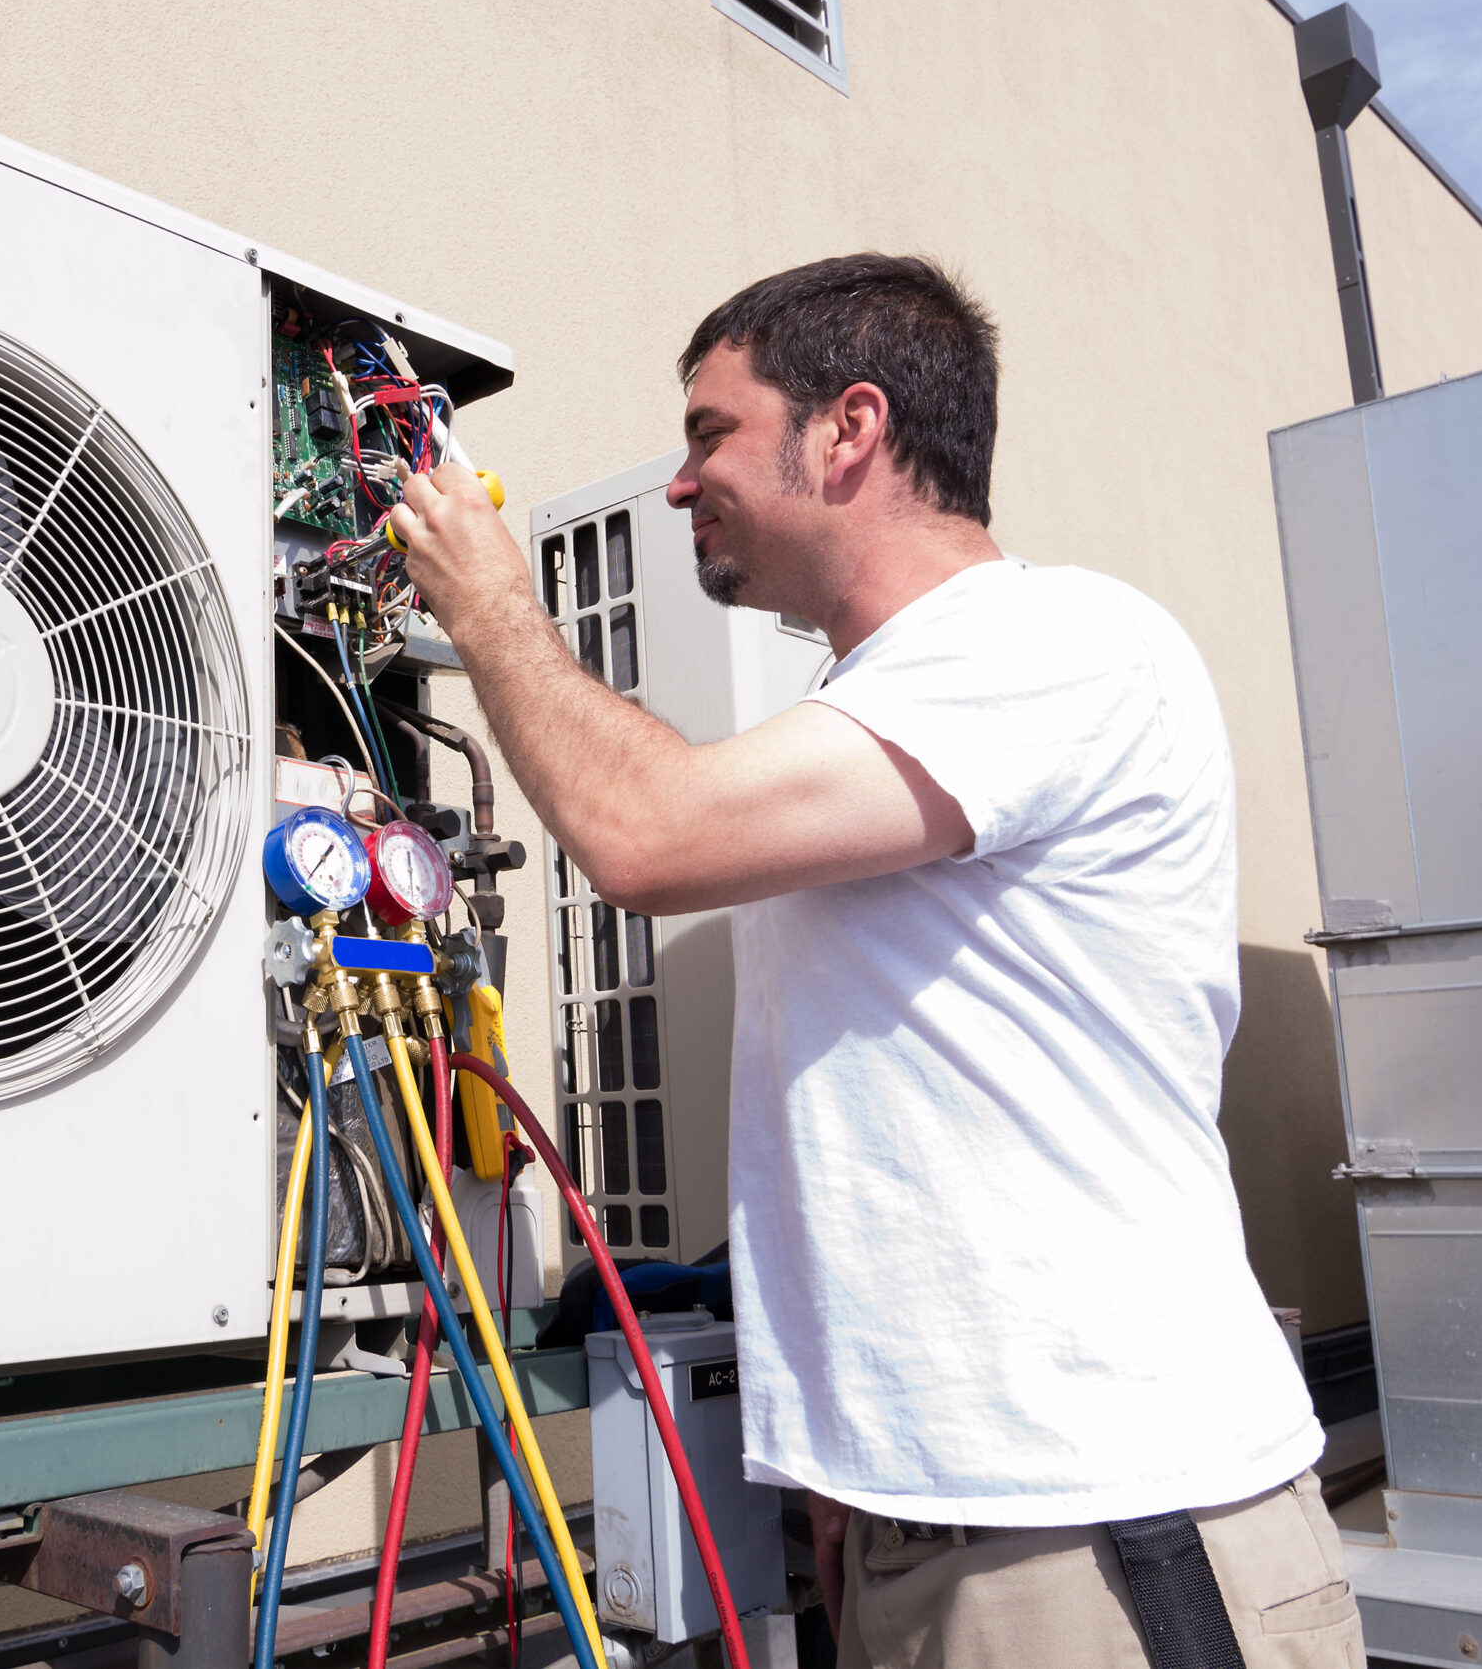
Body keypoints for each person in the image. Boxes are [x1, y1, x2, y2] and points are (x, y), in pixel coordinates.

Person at [389, 255, 1362, 1668]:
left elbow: (641, 832)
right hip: (940, 1532)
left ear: (850, 428)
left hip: (1107, 1539)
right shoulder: (883, 714)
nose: (677, 484)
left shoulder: (1047, 643)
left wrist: (489, 609)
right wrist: (856, 1478)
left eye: (709, 431)